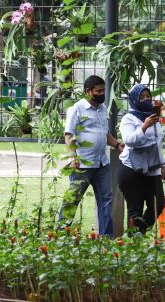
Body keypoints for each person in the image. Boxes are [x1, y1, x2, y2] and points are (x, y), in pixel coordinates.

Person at [57, 75, 124, 237]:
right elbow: (68, 135)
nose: (102, 94)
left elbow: (104, 133)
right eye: (98, 91)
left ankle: (106, 239)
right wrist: (74, 157)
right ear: (88, 91)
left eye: (104, 91)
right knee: (72, 201)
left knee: (106, 201)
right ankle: (59, 236)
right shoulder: (77, 109)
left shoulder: (102, 109)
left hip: (102, 164)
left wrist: (116, 144)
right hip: (82, 165)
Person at [118, 84, 165, 234]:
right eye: (142, 97)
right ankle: (134, 242)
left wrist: (163, 166)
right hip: (131, 168)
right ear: (134, 99)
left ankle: (140, 231)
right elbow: (129, 140)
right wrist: (144, 126)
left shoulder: (154, 118)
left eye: (148, 96)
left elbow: (158, 142)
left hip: (152, 168)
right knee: (135, 210)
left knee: (158, 204)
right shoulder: (129, 118)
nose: (146, 99)